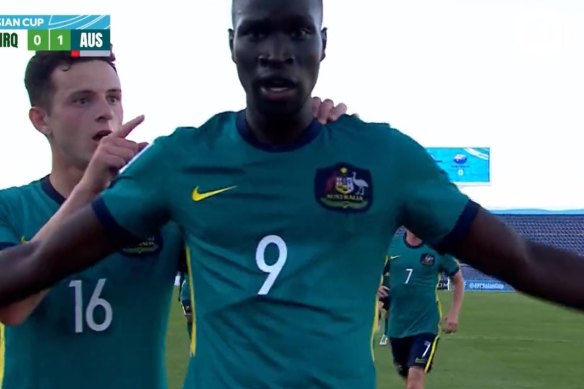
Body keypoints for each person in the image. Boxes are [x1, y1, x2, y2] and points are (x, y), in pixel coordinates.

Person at [1, 0, 584, 387]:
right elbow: (41, 260)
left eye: (297, 31)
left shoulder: (383, 158)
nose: (277, 50)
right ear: (232, 44)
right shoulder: (182, 161)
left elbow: (521, 257)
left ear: (322, 43)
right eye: (257, 31)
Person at [0, 49, 347, 389]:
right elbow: (12, 306)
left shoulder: (157, 208)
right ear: (41, 119)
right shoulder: (10, 207)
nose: (105, 112)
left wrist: (301, 147)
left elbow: (267, 245)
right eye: (82, 100)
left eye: (113, 97)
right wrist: (89, 190)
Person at [382, 229, 464, 389]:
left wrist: (454, 313)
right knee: (408, 379)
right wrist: (375, 285)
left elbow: (458, 281)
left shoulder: (437, 248)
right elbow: (371, 271)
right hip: (397, 326)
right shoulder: (392, 246)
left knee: (414, 378)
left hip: (425, 325)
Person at [378, 257, 391, 346]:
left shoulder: (392, 259)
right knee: (377, 308)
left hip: (391, 288)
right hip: (381, 289)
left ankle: (386, 334)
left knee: (388, 313)